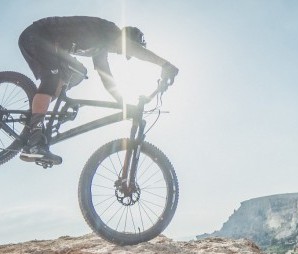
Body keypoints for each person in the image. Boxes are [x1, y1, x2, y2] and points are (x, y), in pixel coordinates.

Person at [18, 16, 179, 165]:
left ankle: (35, 112)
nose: (121, 52)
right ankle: (34, 141)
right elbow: (135, 50)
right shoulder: (109, 29)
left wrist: (121, 103)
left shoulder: (100, 49)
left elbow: (106, 78)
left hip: (52, 46)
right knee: (52, 78)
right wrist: (165, 65)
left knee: (78, 73)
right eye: (125, 49)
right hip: (38, 35)